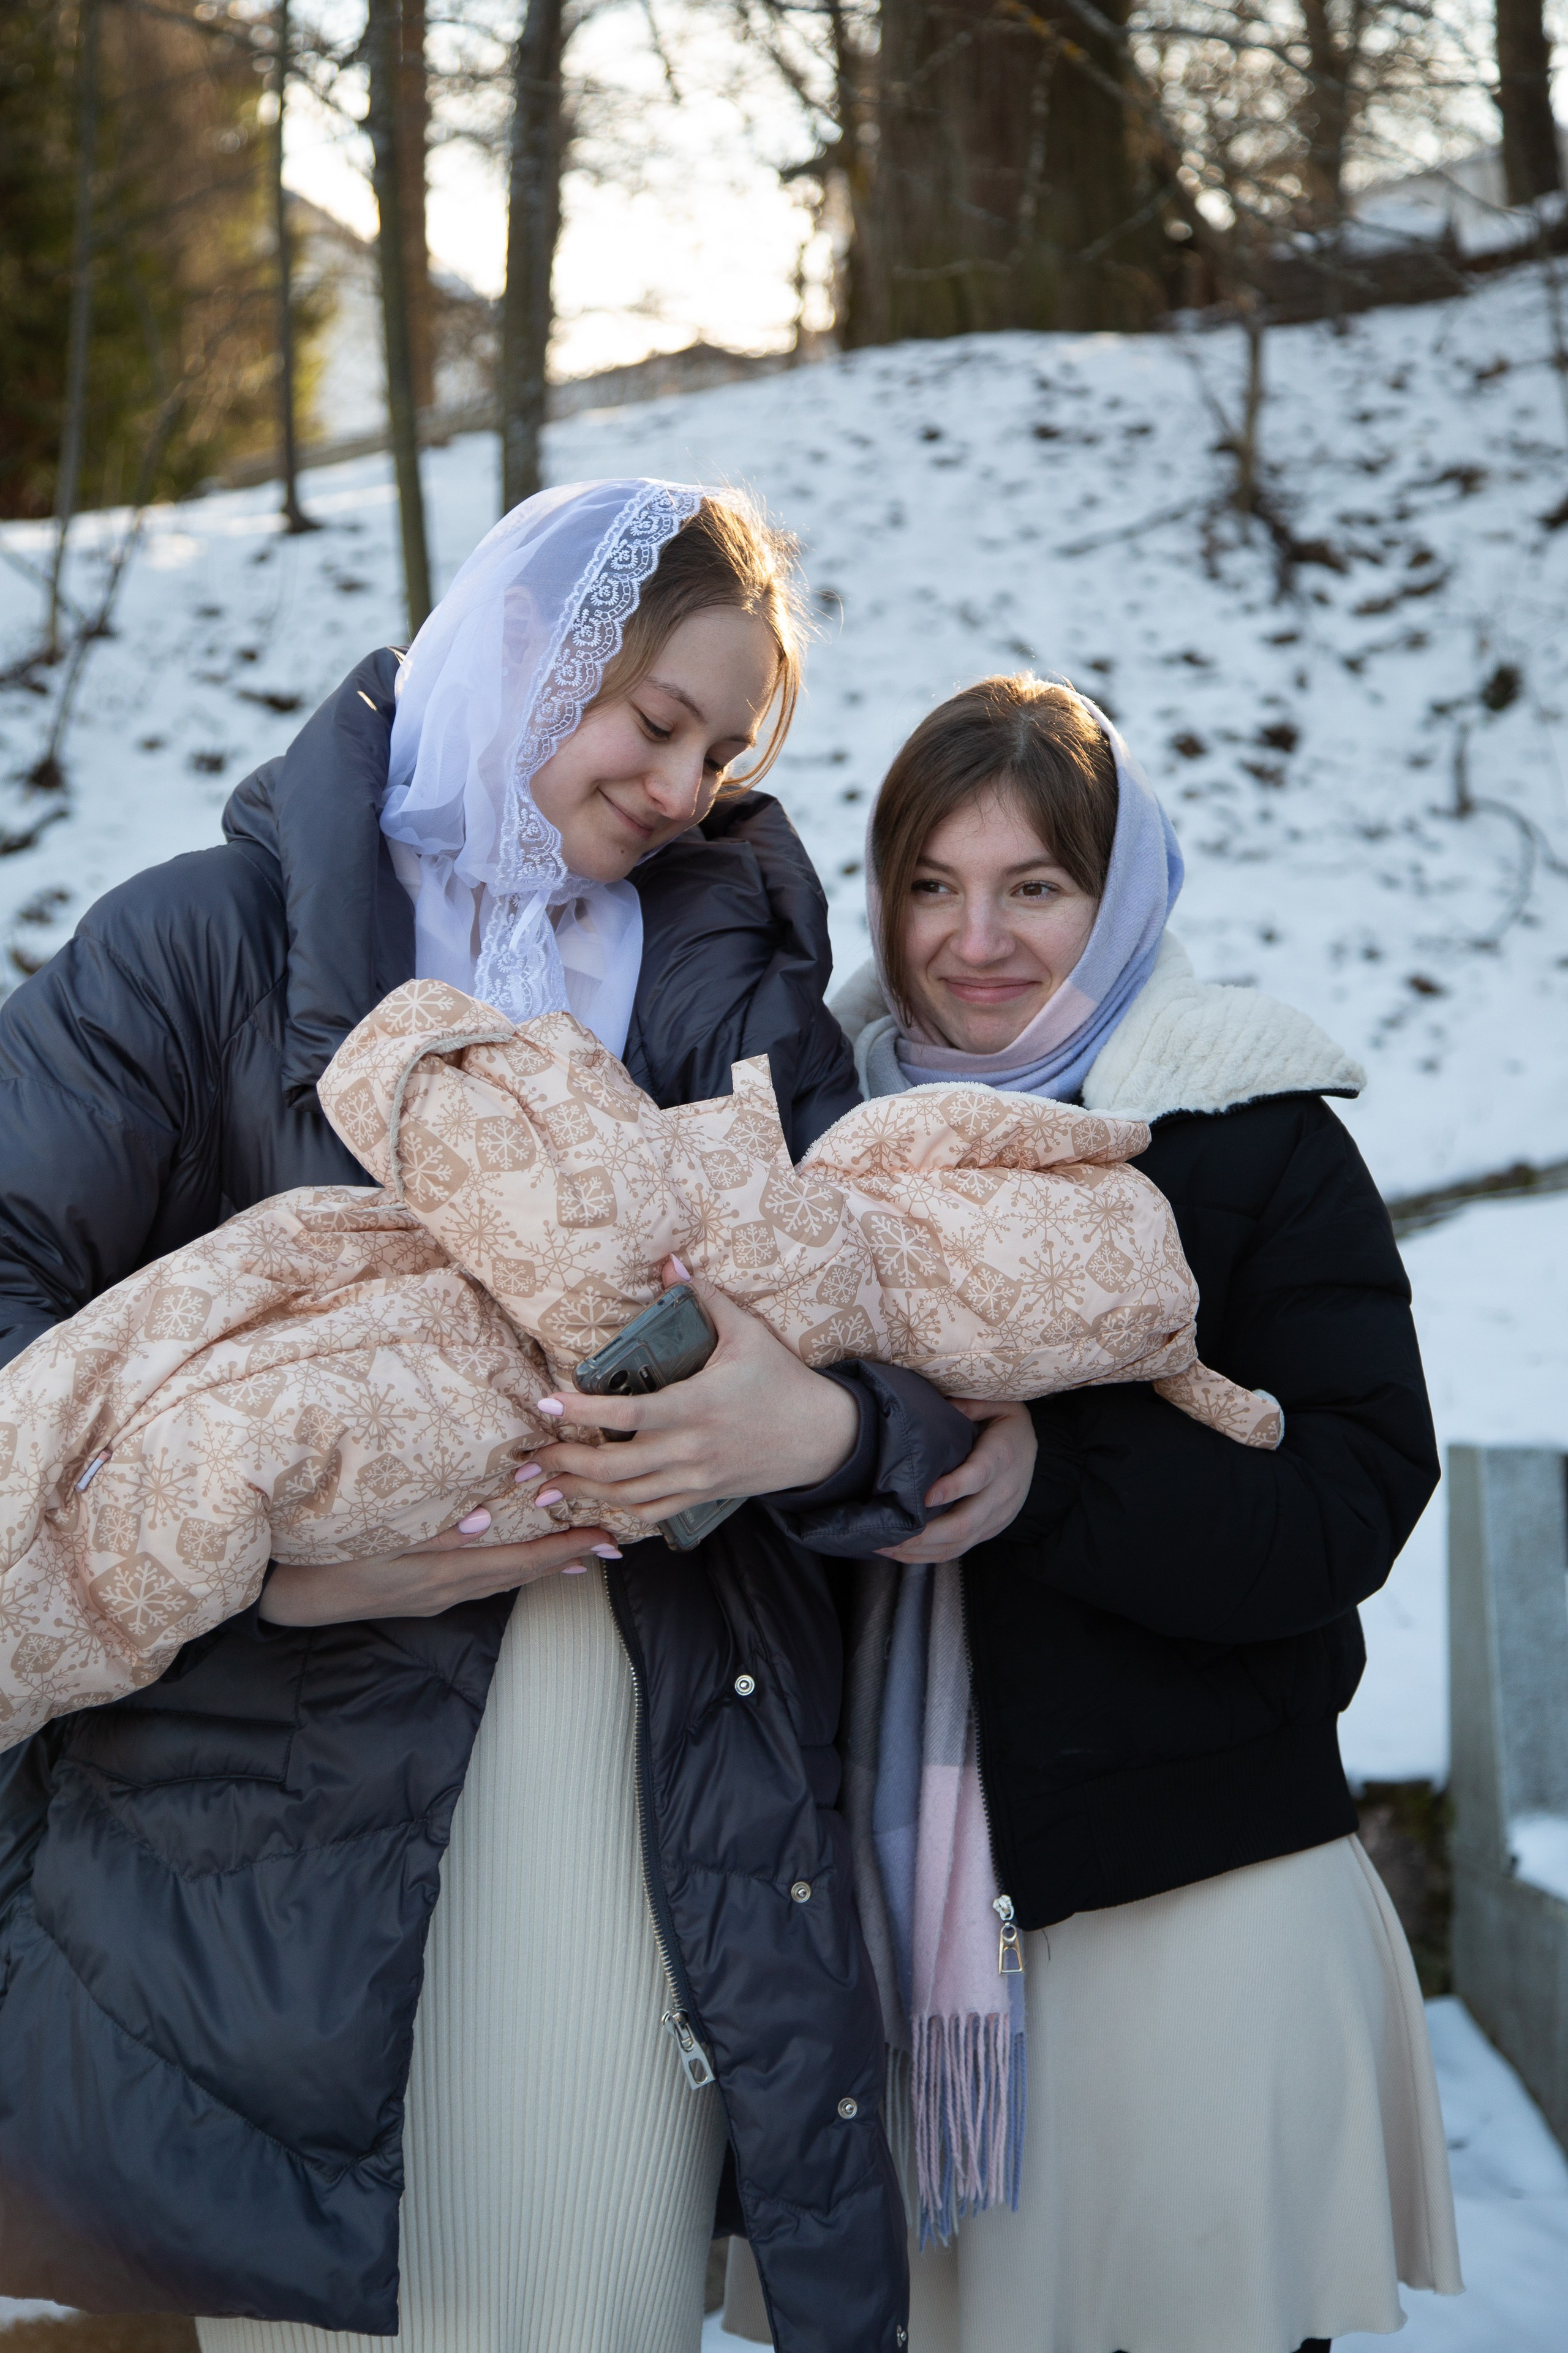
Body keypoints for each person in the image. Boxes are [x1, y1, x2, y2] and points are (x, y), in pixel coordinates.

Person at [0, 482, 1033, 2353]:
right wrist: (276, 1570)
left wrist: (806, 1430)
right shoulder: (205, 948)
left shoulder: (732, 1012)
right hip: (262, 1863)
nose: (678, 781)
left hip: (647, 1823)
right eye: (652, 718)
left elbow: (897, 1328)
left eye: (719, 750)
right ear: (526, 653)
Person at [714, 674, 1464, 2353]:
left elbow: (1352, 1499)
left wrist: (1060, 1481)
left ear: (1115, 897)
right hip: (875, 1935)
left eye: (1035, 886)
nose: (976, 938)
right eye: (932, 884)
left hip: (1197, 1920)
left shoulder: (1241, 1128)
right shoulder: (807, 1148)